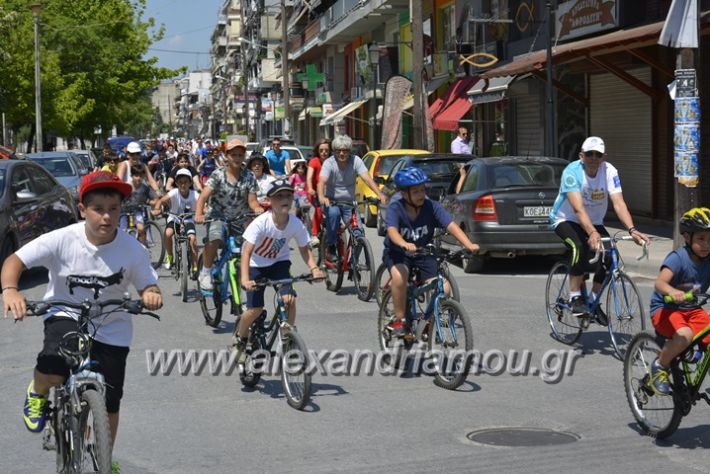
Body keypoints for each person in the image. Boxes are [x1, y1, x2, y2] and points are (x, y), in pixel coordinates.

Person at [1, 171, 162, 458]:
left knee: (111, 401)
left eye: (113, 209)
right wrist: (11, 290)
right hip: (65, 313)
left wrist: (151, 294)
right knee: (53, 372)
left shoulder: (132, 248)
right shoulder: (62, 238)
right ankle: (37, 392)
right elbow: (15, 261)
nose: (106, 217)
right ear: (82, 210)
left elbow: (148, 283)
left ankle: (104, 458)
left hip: (112, 323)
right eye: (98, 209)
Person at [550, 136, 650, 317]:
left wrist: (632, 230)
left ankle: (592, 300)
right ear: (582, 156)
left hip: (594, 222)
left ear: (604, 157)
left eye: (598, 155)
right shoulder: (571, 172)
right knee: (578, 247)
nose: (594, 158)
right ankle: (574, 297)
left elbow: (619, 203)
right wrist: (592, 233)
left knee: (610, 257)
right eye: (589, 154)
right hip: (566, 219)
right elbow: (578, 209)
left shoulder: (609, 171)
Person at [232, 179, 324, 363]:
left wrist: (314, 268)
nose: (285, 199)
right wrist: (245, 279)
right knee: (255, 309)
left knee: (289, 299)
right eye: (279, 196)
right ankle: (239, 339)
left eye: (288, 196)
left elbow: (304, 249)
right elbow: (247, 252)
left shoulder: (296, 223)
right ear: (270, 200)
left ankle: (288, 335)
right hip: (255, 265)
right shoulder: (261, 223)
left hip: (278, 264)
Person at [383, 167, 480, 336]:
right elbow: (392, 231)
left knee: (444, 287)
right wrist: (404, 243)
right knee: (400, 276)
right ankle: (399, 320)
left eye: (423, 190)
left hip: (422, 252)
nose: (421, 194)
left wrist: (468, 244)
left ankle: (428, 323)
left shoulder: (431, 206)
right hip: (398, 252)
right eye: (416, 191)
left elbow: (451, 225)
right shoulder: (396, 207)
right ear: (404, 194)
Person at [648, 208, 710, 395]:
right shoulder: (678, 258)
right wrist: (673, 292)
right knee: (685, 335)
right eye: (701, 239)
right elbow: (660, 282)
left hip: (692, 310)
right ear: (687, 237)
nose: (706, 244)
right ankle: (659, 366)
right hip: (665, 310)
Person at [195, 139, 264, 291]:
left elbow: (252, 201)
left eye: (240, 155)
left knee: (248, 246)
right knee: (215, 236)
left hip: (239, 219)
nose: (237, 158)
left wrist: (258, 209)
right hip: (217, 216)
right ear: (227, 156)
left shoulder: (249, 176)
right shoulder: (218, 175)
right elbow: (203, 197)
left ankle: (244, 286)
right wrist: (199, 213)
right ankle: (205, 271)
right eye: (234, 155)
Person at [317, 134, 386, 262]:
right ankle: (331, 246)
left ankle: (353, 263)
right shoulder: (329, 163)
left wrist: (380, 194)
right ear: (334, 151)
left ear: (350, 151)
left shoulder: (356, 161)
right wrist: (321, 196)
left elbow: (367, 179)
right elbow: (321, 181)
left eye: (345, 150)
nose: (342, 153)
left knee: (359, 233)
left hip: (350, 204)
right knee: (334, 214)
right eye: (338, 151)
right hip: (332, 202)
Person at [152, 169, 199, 272]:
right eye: (180, 182)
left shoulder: (194, 194)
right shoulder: (174, 192)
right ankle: (170, 256)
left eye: (185, 182)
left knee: (192, 239)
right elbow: (161, 200)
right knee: (168, 233)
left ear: (190, 183)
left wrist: (205, 212)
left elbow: (202, 205)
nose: (183, 185)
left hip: (188, 220)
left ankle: (195, 265)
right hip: (174, 218)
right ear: (176, 183)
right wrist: (157, 209)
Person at [121, 163, 154, 243]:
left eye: (141, 176)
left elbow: (153, 198)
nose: (138, 178)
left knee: (141, 229)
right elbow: (119, 198)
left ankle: (142, 247)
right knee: (122, 231)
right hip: (124, 212)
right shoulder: (126, 187)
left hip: (137, 211)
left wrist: (153, 204)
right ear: (131, 176)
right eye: (136, 176)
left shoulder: (144, 188)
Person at [306, 139, 331, 245]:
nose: (324, 152)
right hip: (314, 192)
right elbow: (309, 177)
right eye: (321, 150)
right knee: (318, 210)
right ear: (318, 151)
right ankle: (315, 234)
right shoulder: (314, 161)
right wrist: (311, 188)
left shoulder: (332, 161)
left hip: (328, 191)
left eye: (326, 150)